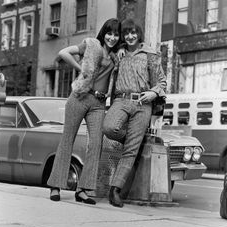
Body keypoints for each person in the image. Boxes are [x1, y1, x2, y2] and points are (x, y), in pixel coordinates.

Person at [47, 18, 121, 205]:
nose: (112, 37)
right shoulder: (91, 44)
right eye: (109, 33)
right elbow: (63, 52)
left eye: (116, 34)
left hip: (98, 103)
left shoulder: (115, 56)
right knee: (67, 139)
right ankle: (55, 185)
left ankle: (82, 189)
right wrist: (82, 70)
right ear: (103, 33)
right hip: (80, 97)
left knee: (96, 144)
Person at [103, 18, 167, 208]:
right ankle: (134, 141)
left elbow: (161, 82)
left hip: (142, 103)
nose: (130, 36)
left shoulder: (150, 55)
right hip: (121, 100)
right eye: (126, 34)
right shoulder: (119, 54)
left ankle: (115, 190)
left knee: (130, 151)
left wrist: (153, 92)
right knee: (108, 127)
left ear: (139, 34)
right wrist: (120, 47)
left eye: (134, 33)